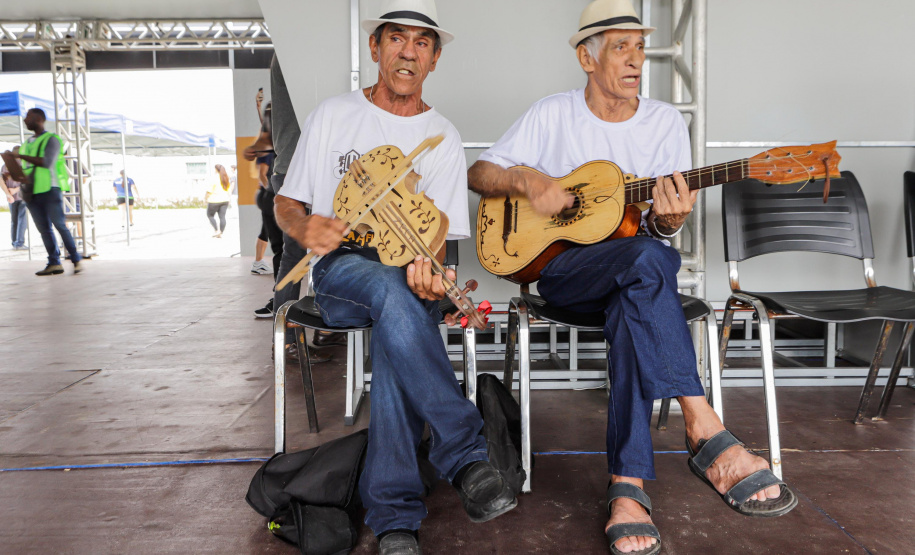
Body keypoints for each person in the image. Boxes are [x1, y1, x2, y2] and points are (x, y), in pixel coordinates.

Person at [467, 1, 797, 553]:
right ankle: (704, 427)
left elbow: (662, 232)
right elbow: (479, 172)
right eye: (621, 46)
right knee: (647, 263)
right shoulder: (552, 113)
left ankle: (628, 488)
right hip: (563, 272)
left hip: (632, 280)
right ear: (585, 57)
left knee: (642, 273)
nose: (636, 60)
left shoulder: (665, 123)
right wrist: (527, 182)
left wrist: (670, 219)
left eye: (640, 47)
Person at [274, 2, 517, 553]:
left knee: (397, 321)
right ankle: (463, 452)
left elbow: (434, 236)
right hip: (340, 271)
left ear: (434, 59)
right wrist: (305, 227)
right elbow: (287, 203)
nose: (409, 52)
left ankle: (395, 521)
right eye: (398, 39)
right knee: (392, 296)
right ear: (376, 48)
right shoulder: (334, 115)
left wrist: (428, 272)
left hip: (403, 276)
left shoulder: (443, 137)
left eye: (423, 43)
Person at [7, 108, 82, 275]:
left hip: (50, 189)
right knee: (44, 229)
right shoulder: (27, 143)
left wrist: (20, 157)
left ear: (39, 119)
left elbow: (46, 162)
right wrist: (12, 168)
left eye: (29, 117)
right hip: (31, 191)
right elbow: (26, 168)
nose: (25, 120)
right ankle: (54, 262)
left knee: (59, 225)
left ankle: (76, 258)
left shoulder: (52, 139)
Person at [1, 158, 28, 250]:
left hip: (11, 198)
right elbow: (26, 181)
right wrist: (14, 190)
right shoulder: (22, 164)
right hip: (22, 196)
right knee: (22, 219)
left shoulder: (4, 166)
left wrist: (8, 194)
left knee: (14, 220)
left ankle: (14, 242)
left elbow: (2, 182)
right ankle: (19, 243)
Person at [205, 164, 232, 238]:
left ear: (216, 169)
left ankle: (216, 230)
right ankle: (221, 232)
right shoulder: (226, 177)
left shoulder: (214, 178)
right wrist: (229, 198)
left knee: (210, 215)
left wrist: (205, 198)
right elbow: (228, 189)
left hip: (214, 200)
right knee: (222, 217)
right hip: (225, 200)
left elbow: (209, 190)